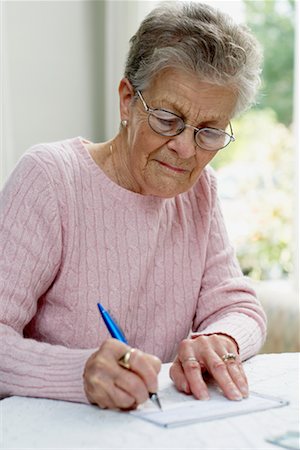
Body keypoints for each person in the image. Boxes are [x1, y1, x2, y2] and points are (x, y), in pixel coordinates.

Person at [0, 1, 267, 411]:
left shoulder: (200, 192)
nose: (184, 148)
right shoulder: (51, 179)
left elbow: (239, 307)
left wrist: (221, 340)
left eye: (209, 132)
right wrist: (80, 371)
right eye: (167, 118)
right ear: (127, 101)